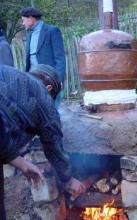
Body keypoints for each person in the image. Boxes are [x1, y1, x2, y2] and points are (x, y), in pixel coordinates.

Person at [0, 64, 85, 220]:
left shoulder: (9, 74)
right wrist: (68, 179)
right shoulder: (42, 97)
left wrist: (21, 162)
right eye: (53, 97)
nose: (51, 102)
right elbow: (54, 147)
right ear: (48, 88)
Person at [20, 7, 66, 108]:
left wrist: (59, 79)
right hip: (32, 79)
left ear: (31, 19)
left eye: (23, 20)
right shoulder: (30, 35)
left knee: (53, 108)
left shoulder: (52, 31)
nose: (23, 23)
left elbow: (60, 58)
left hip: (49, 79)